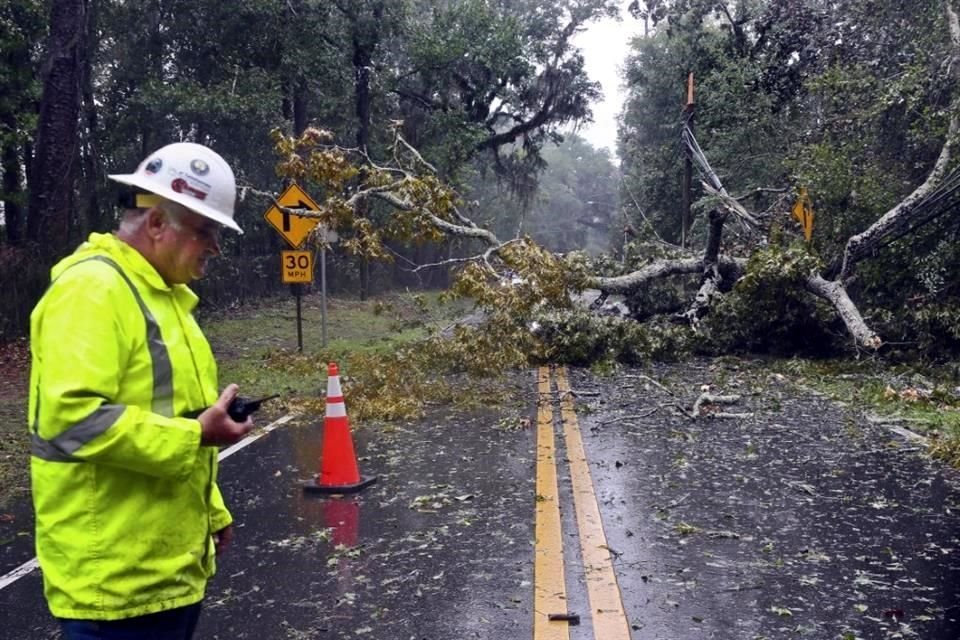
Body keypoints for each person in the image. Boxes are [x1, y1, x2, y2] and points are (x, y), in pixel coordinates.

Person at [28, 142, 254, 639]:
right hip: (113, 583)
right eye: (206, 231)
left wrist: (210, 510)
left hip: (164, 571)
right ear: (156, 224)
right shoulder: (92, 290)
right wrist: (194, 435)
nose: (213, 247)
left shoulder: (165, 295)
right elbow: (71, 419)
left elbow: (175, 412)